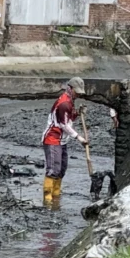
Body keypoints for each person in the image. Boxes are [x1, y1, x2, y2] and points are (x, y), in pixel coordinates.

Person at [40, 77, 90, 210]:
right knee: (53, 169)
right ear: (70, 89)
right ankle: (48, 199)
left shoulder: (70, 102)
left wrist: (78, 113)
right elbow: (64, 125)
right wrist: (79, 138)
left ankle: (56, 194)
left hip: (62, 140)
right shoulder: (63, 103)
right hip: (52, 138)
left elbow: (69, 118)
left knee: (62, 168)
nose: (78, 94)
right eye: (77, 92)